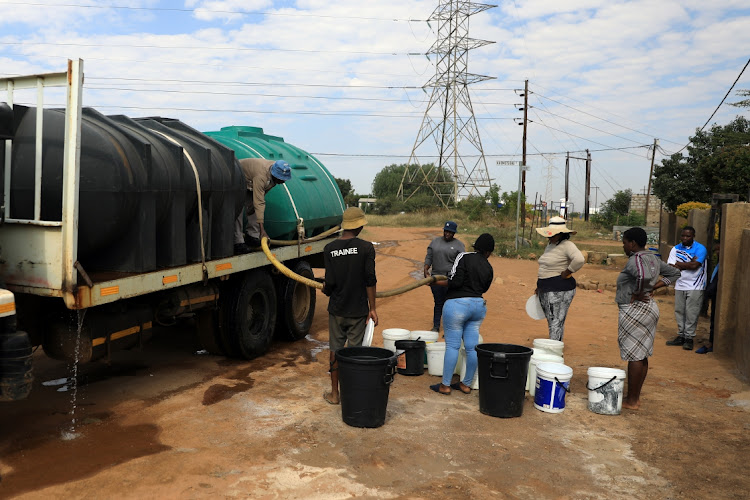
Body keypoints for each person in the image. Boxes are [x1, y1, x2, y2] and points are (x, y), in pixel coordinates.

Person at [616, 227, 681, 410]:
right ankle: (634, 397)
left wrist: (638, 292)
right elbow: (675, 273)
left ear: (633, 244)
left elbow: (642, 276)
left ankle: (632, 400)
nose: (624, 246)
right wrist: (653, 288)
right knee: (642, 353)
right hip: (649, 308)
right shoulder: (654, 258)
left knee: (634, 355)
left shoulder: (635, 259)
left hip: (635, 309)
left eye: (625, 243)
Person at [321, 207, 378, 405]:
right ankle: (352, 397)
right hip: (358, 310)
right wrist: (373, 309)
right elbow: (370, 279)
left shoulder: (329, 249)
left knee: (336, 351)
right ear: (360, 225)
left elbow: (330, 282)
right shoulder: (366, 248)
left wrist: (326, 290)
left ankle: (335, 395)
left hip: (337, 310)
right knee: (354, 355)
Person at [430, 233, 494, 395]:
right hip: (478, 306)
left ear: (475, 247)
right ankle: (466, 384)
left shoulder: (464, 257)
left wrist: (436, 281)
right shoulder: (488, 267)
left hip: (457, 305)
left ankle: (445, 385)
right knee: (472, 348)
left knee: (452, 346)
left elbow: (455, 281)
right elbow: (484, 289)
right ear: (489, 252)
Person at [534, 216, 585, 341]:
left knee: (555, 322)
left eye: (554, 234)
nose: (550, 236)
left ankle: (554, 352)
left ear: (562, 234)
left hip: (559, 289)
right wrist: (539, 287)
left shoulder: (567, 245)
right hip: (547, 288)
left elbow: (579, 259)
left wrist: (567, 272)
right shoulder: (551, 245)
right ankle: (555, 348)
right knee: (553, 321)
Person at [234, 158, 292, 254]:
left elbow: (263, 193)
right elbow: (259, 202)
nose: (284, 182)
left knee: (255, 208)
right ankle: (238, 242)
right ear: (275, 175)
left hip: (250, 182)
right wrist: (263, 231)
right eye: (282, 179)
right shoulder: (261, 175)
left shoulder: (276, 170)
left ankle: (252, 236)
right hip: (237, 178)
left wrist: (253, 206)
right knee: (238, 209)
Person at [666, 226, 707, 351]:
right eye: (683, 236)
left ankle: (689, 338)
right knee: (680, 311)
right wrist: (688, 264)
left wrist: (680, 264)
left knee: (692, 312)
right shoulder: (675, 248)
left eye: (688, 236)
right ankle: (681, 335)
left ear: (693, 236)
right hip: (680, 284)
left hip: (696, 285)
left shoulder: (700, 248)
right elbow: (671, 266)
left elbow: (695, 266)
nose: (685, 238)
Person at [423, 221, 465, 332]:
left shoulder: (459, 245)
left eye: (450, 232)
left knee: (449, 304)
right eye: (446, 231)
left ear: (454, 233)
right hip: (435, 278)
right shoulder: (435, 242)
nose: (447, 234)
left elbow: (462, 264)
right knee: (438, 302)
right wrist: (425, 269)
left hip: (450, 279)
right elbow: (429, 257)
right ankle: (436, 326)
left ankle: (449, 329)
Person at [697, 242, 720, 354]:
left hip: (716, 295)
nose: (717, 253)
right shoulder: (719, 264)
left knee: (715, 319)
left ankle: (712, 343)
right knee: (713, 319)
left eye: (718, 251)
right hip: (714, 295)